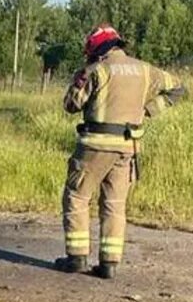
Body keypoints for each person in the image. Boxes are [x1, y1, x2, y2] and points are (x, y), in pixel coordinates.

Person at [56, 24, 186, 279]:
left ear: (95, 49)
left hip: (94, 146)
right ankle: (109, 264)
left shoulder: (95, 71)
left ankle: (76, 258)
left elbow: (71, 105)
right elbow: (178, 88)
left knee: (77, 197)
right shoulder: (146, 70)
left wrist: (78, 79)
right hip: (128, 147)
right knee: (115, 204)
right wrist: (149, 110)